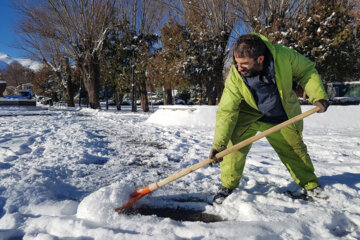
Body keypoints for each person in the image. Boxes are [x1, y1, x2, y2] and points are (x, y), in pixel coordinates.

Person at [209, 33, 329, 204]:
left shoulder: (283, 56)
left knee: (295, 151)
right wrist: (219, 145)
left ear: (260, 59)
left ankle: (311, 186)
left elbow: (306, 70)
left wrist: (318, 95)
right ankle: (227, 186)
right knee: (232, 149)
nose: (238, 67)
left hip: (282, 116)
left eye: (244, 63)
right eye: (236, 62)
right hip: (250, 116)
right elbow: (227, 111)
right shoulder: (236, 76)